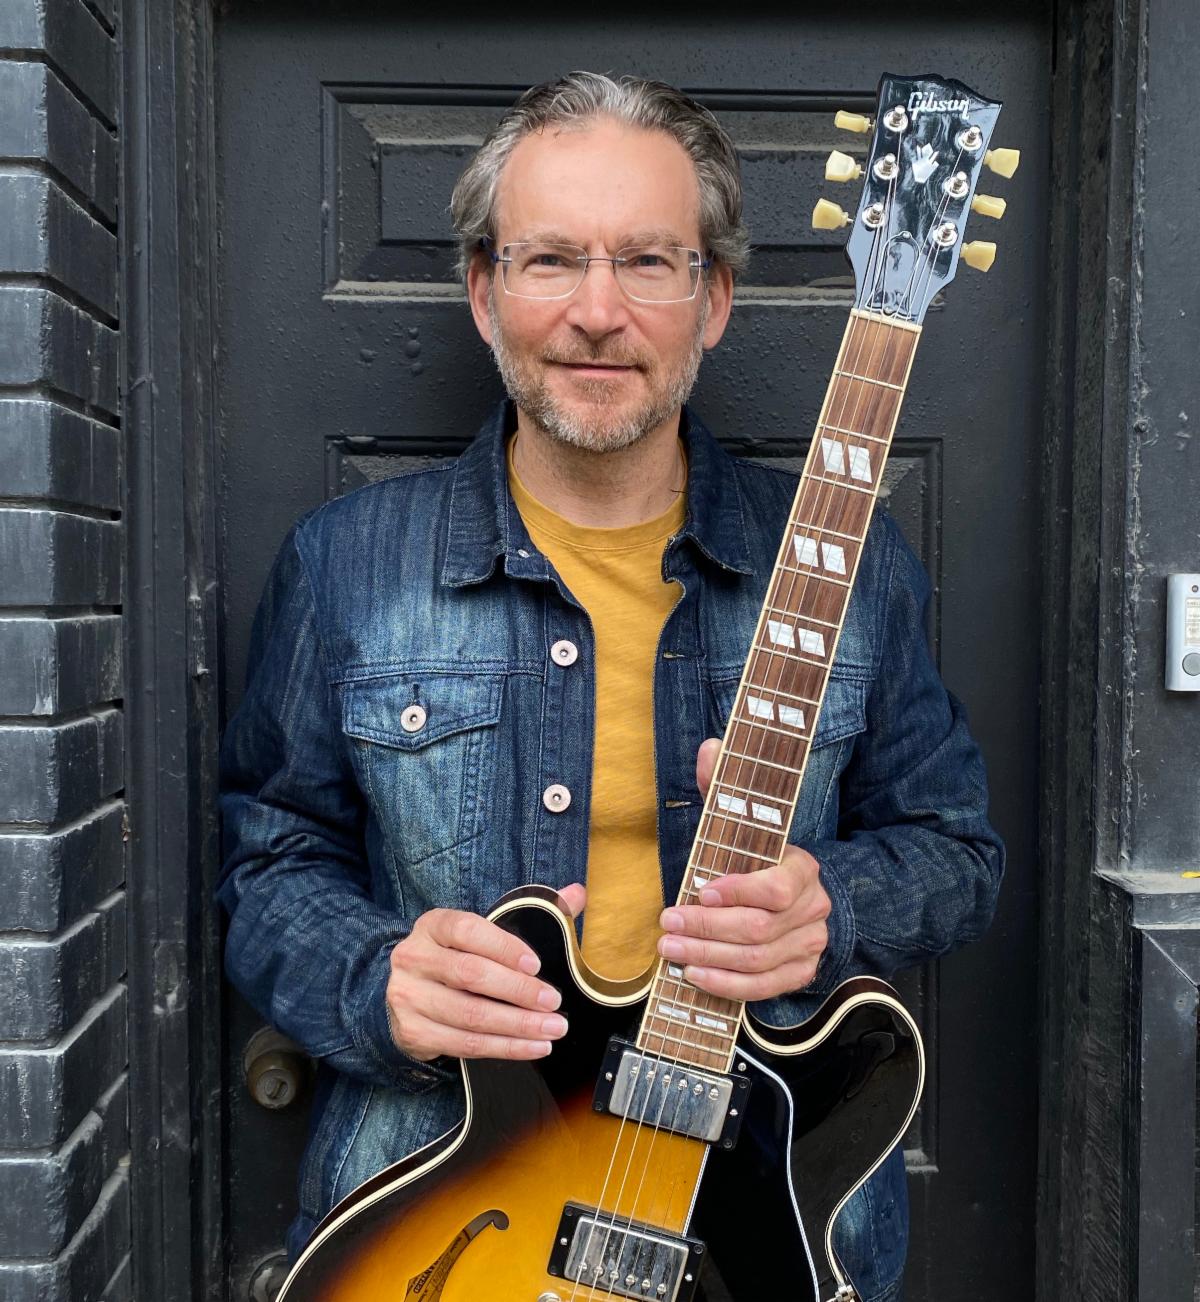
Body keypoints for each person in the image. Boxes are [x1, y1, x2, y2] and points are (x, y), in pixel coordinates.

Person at [218, 71, 1003, 1302]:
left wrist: (831, 906)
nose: (598, 311)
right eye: (549, 261)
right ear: (483, 293)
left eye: (648, 261)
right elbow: (267, 866)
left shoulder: (852, 572)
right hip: (445, 1221)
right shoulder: (347, 568)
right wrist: (377, 980)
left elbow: (955, 849)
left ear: (715, 300)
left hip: (773, 1238)